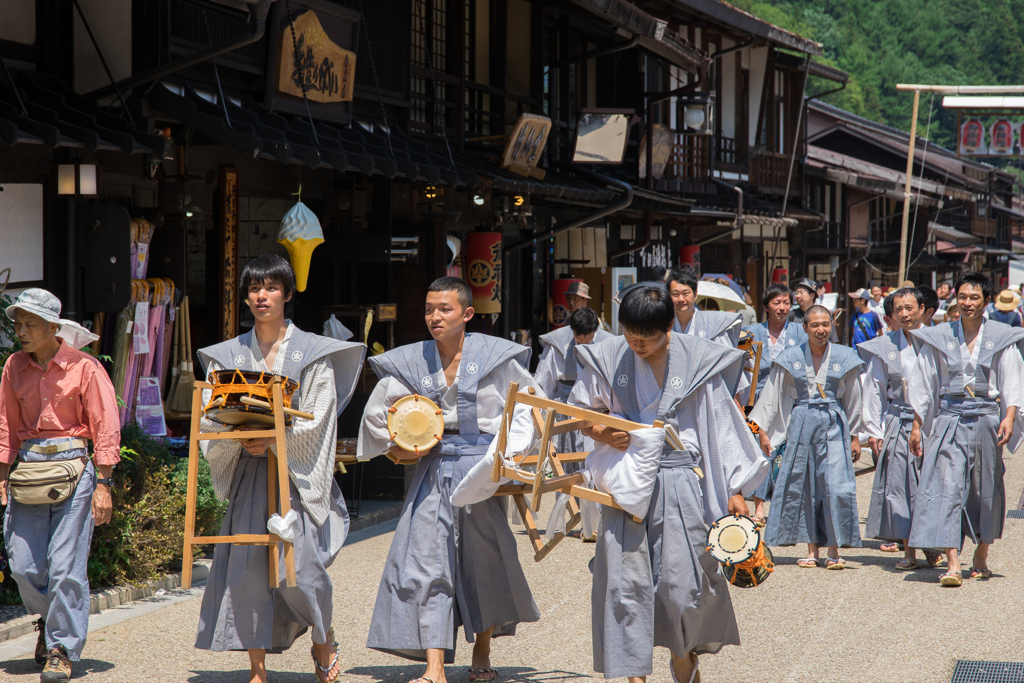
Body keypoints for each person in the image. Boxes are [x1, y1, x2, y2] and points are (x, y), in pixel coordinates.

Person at [570, 285, 766, 683]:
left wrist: (733, 490)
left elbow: (720, 431)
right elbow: (578, 412)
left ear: (669, 328)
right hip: (626, 486)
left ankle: (683, 657)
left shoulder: (696, 363)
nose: (636, 345)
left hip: (679, 484)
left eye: (647, 338)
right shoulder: (610, 357)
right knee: (625, 588)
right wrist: (602, 431)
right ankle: (632, 675)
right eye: (629, 336)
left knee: (681, 588)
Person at [358, 276, 541, 683]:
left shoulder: (496, 357)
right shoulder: (412, 360)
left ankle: (482, 648)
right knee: (425, 562)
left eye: (445, 309)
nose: (435, 317)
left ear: (467, 314)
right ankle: (434, 666)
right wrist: (395, 446)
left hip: (480, 469)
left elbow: (528, 408)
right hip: (431, 466)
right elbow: (377, 413)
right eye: (428, 309)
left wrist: (508, 455)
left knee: (484, 562)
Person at [194, 254, 365, 683]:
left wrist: (275, 439)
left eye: (271, 288)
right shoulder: (228, 354)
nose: (261, 296)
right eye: (254, 289)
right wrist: (240, 437)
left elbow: (321, 415)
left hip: (295, 475)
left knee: (304, 568)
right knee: (248, 568)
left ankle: (323, 643)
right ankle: (257, 667)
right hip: (250, 474)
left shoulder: (312, 354)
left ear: (288, 294)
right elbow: (209, 415)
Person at [0, 289, 120, 682]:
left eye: (30, 323)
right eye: (18, 323)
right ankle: (51, 622)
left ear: (55, 328)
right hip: (30, 470)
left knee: (66, 566)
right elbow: (5, 426)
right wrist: (1, 478)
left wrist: (103, 482)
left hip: (75, 467)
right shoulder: (14, 366)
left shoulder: (85, 368)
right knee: (22, 564)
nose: (20, 331)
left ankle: (61, 649)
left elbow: (105, 425)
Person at [907, 271, 1024, 587]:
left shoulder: (1001, 335)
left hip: (986, 416)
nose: (967, 303)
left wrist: (1010, 416)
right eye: (962, 297)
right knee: (947, 487)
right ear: (954, 299)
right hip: (949, 417)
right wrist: (918, 425)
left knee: (987, 488)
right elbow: (924, 381)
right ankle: (953, 561)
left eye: (974, 297)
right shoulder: (941, 336)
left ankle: (982, 553)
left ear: (987, 301)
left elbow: (1012, 377)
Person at [750, 305, 865, 569]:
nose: (821, 329)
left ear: (831, 326)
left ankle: (834, 549)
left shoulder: (846, 356)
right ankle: (812, 549)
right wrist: (764, 432)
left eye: (826, 324)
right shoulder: (790, 357)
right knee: (806, 486)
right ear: (804, 328)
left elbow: (854, 398)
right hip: (801, 422)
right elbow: (772, 395)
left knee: (835, 485)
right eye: (814, 325)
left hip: (834, 423)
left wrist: (855, 436)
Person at [859, 287, 938, 569]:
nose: (904, 313)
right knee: (902, 487)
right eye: (898, 309)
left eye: (909, 307)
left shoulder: (938, 340)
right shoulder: (885, 345)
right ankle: (909, 551)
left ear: (922, 309)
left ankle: (932, 540)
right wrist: (873, 431)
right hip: (898, 419)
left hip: (933, 421)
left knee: (932, 482)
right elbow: (874, 388)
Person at [534, 306, 612, 540]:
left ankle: (596, 522)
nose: (583, 342)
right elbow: (543, 381)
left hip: (596, 408)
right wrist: (538, 412)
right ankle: (572, 517)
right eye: (579, 337)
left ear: (595, 330)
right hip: (564, 406)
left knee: (594, 462)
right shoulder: (559, 343)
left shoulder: (610, 342)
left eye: (588, 338)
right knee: (566, 464)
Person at [743, 283, 808, 525]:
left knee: (787, 451)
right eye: (776, 303)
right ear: (765, 307)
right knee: (761, 451)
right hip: (757, 397)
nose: (782, 308)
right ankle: (759, 507)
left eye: (785, 303)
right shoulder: (750, 332)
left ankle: (786, 507)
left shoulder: (801, 332)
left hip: (789, 397)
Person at [666, 268, 742, 345]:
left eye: (685, 293)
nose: (681, 299)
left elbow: (725, 354)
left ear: (695, 294)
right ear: (668, 295)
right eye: (675, 294)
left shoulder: (713, 324)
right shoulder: (663, 324)